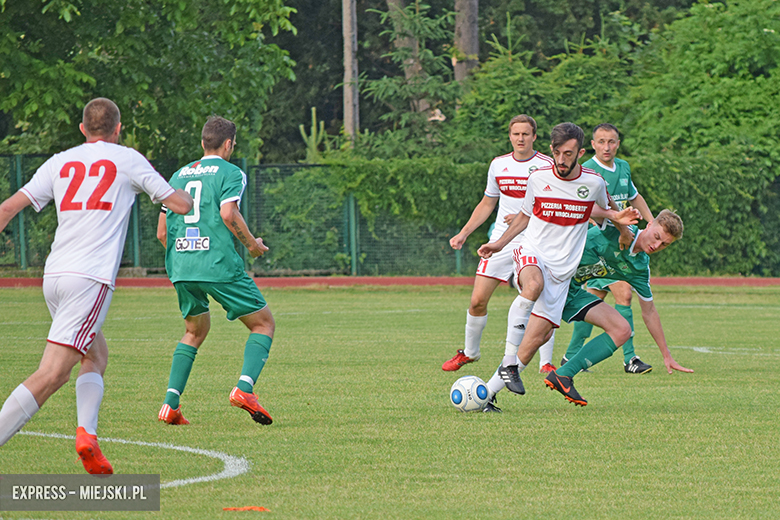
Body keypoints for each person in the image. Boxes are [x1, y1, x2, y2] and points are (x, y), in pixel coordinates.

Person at [0, 98, 193, 473]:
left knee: (95, 355)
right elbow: (180, 204)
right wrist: (184, 194)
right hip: (89, 279)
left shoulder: (60, 161)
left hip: (54, 277)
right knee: (52, 373)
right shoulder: (128, 158)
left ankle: (88, 437)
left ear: (83, 129)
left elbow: (7, 209)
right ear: (118, 129)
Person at [477, 122, 639, 403]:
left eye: (568, 154)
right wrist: (499, 243)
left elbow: (608, 208)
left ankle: (486, 395)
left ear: (580, 152)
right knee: (533, 285)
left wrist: (623, 228)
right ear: (551, 150)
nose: (562, 161)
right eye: (557, 153)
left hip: (562, 275)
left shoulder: (593, 182)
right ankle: (507, 359)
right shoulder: (538, 178)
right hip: (532, 253)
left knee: (536, 339)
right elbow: (525, 215)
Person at [487, 210, 694, 406]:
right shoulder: (618, 226)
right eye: (657, 236)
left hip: (572, 291)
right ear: (649, 225)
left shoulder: (639, 266)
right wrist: (531, 217)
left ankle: (564, 374)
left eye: (664, 244)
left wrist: (666, 354)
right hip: (550, 277)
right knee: (537, 339)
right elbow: (583, 207)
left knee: (621, 329)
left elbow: (649, 312)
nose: (657, 245)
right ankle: (486, 393)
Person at [157, 116, 275, 427]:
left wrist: (186, 256)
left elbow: (161, 233)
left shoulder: (177, 176)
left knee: (194, 331)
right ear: (228, 144)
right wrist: (251, 245)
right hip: (217, 264)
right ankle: (244, 390)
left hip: (181, 265)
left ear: (202, 143)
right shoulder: (231, 172)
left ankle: (170, 404)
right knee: (263, 324)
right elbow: (227, 212)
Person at [443, 115, 558, 377]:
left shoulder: (546, 165)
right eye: (516, 134)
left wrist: (525, 216)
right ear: (510, 136)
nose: (521, 138)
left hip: (533, 242)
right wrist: (464, 233)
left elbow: (554, 203)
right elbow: (487, 203)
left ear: (534, 137)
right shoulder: (498, 165)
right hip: (500, 242)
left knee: (538, 300)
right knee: (477, 301)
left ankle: (546, 362)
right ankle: (470, 352)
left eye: (526, 134)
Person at [563, 123, 656, 374]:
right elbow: (582, 208)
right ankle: (630, 359)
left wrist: (653, 221)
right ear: (592, 144)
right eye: (601, 141)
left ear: (618, 143)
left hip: (620, 244)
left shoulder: (623, 167)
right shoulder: (587, 170)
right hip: (597, 245)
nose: (607, 146)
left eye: (612, 141)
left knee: (594, 299)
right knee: (624, 293)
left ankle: (570, 356)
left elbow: (634, 196)